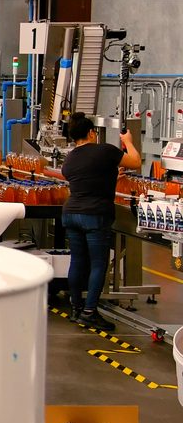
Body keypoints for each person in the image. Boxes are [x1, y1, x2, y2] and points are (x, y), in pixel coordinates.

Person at [61, 112, 141, 332]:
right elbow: (135, 161)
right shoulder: (105, 150)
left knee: (77, 261)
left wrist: (111, 178)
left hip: (71, 213)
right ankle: (90, 313)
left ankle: (76, 308)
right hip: (95, 215)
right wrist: (128, 142)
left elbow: (87, 182)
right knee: (98, 264)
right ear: (91, 132)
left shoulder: (69, 159)